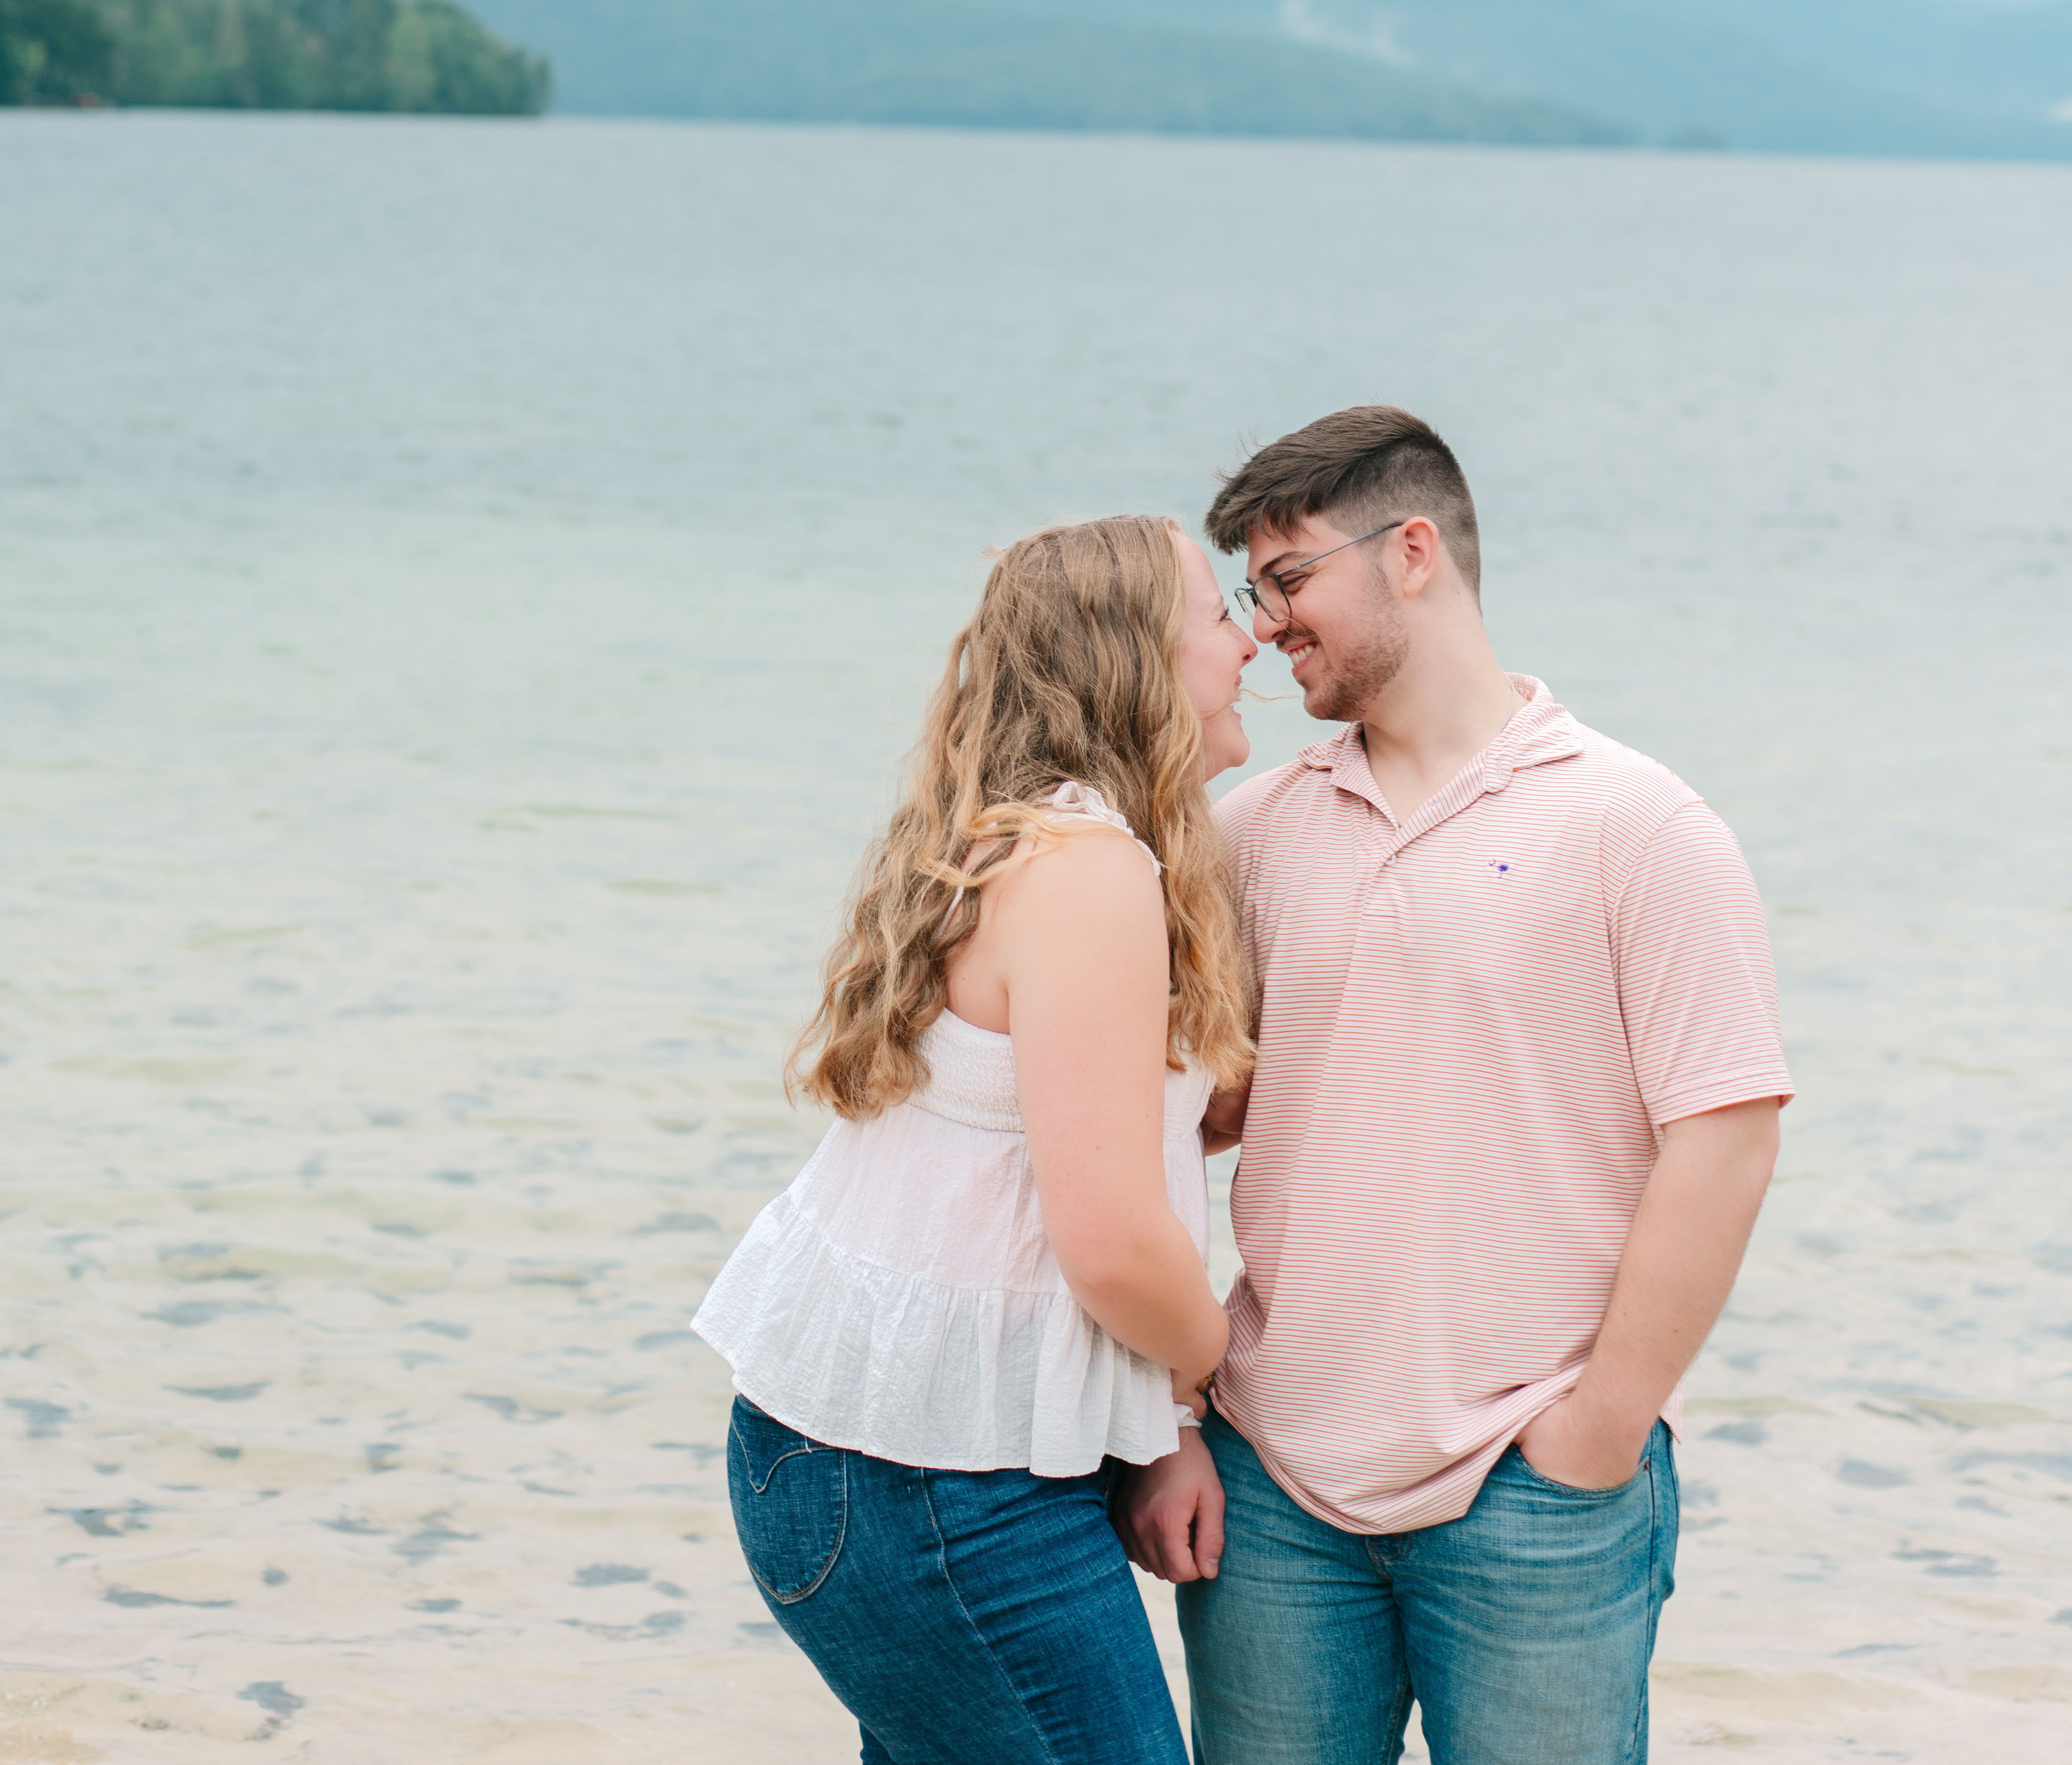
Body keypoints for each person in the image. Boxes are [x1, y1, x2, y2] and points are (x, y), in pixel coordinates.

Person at [1114, 405, 1792, 1765]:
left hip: (1533, 1493)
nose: (1265, 625)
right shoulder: (1249, 832)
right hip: (1275, 1482)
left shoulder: (1637, 823)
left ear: (1413, 549)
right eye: (1249, 592)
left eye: (1291, 578)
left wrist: (1600, 1427)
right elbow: (1167, 1132)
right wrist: (1170, 1421)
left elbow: (1722, 1138)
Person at [694, 512, 1257, 1765]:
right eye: (1218, 614)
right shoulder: (1090, 869)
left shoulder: (1018, 836)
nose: (1252, 640)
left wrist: (1158, 1424)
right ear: (1137, 661)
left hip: (866, 1459)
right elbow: (1108, 1241)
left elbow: (1020, 1160)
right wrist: (1215, 1370)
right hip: (933, 1486)